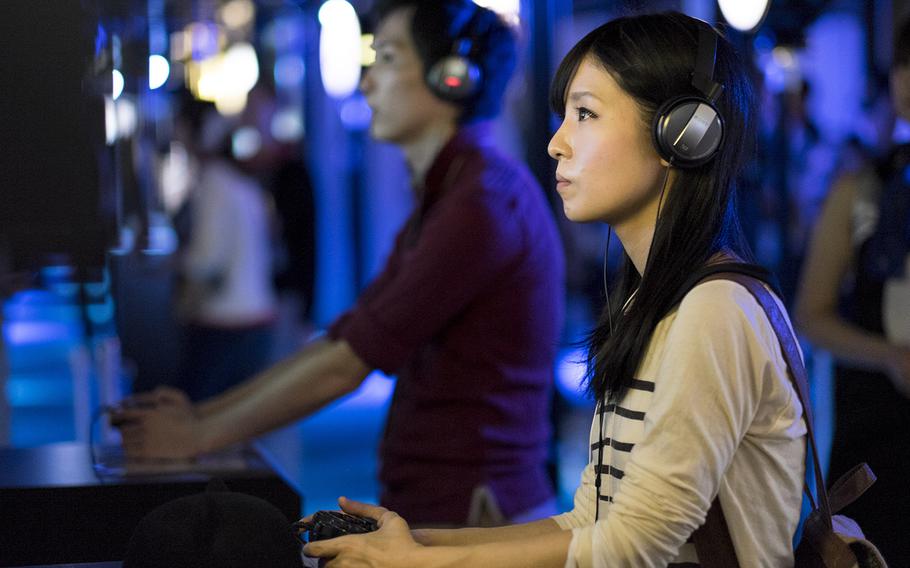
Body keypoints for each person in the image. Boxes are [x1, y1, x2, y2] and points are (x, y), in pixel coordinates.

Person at [300, 12, 808, 567]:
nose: (556, 144)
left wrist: (416, 563)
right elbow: (590, 523)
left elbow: (634, 545)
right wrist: (413, 542)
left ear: (682, 133)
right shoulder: (655, 303)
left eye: (585, 114)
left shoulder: (716, 309)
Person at [116, 0, 565, 528]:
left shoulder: (481, 205)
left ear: (453, 79)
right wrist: (200, 418)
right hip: (451, 507)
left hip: (476, 515)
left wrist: (198, 434)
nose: (368, 81)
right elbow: (345, 338)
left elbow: (349, 361)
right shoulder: (452, 194)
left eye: (389, 59)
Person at [795, 16, 910, 565]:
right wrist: (889, 355)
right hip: (876, 432)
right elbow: (810, 315)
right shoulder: (863, 189)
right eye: (904, 66)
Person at [172, 97, 278, 401]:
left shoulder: (214, 185)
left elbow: (207, 261)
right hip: (253, 317)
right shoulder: (238, 183)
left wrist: (183, 302)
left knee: (202, 420)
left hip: (226, 324)